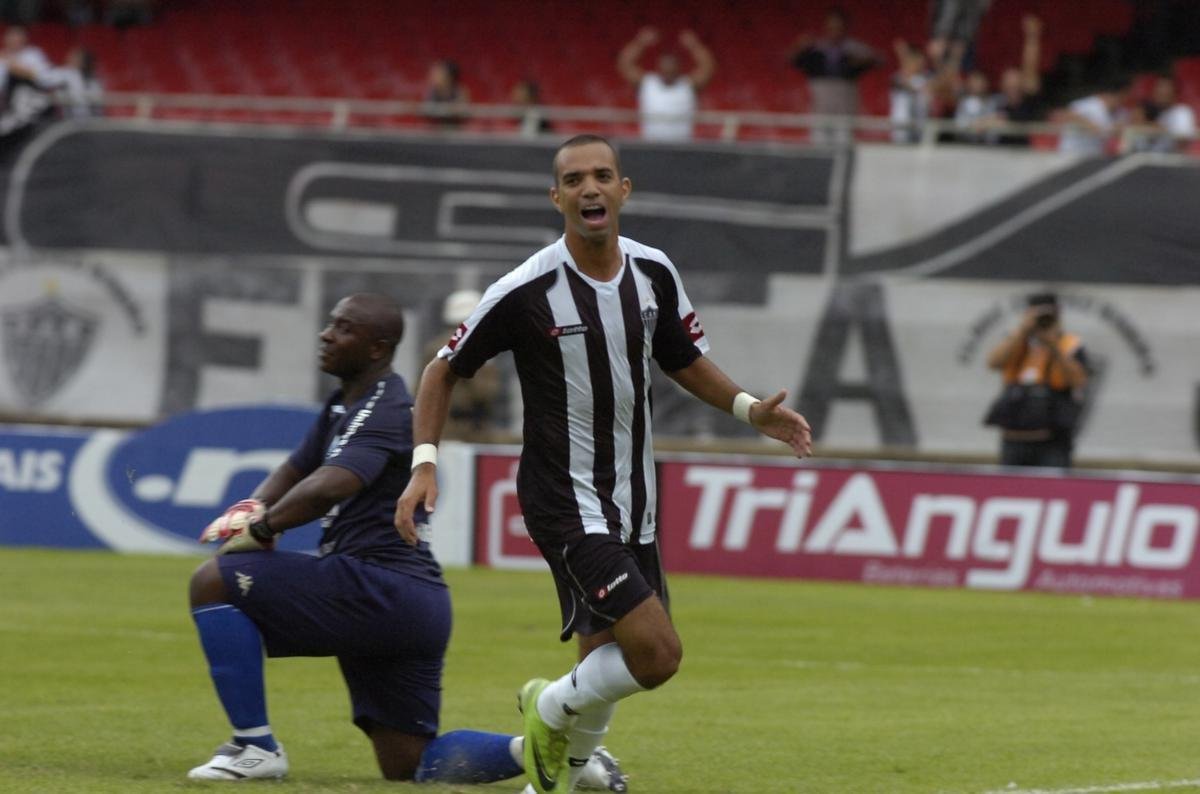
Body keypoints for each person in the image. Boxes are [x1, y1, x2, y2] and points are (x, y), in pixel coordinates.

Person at [394, 134, 813, 794]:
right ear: (556, 197)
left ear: (624, 189)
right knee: (657, 653)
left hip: (634, 494)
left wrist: (749, 410)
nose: (590, 187)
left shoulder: (653, 273)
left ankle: (568, 770)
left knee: (606, 651)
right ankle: (548, 710)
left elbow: (681, 359)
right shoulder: (525, 289)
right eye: (575, 179)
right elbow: (442, 371)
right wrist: (424, 463)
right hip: (563, 498)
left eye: (602, 175)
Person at [186, 293, 626, 790]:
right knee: (409, 762)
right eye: (330, 324)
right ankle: (551, 751)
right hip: (409, 601)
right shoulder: (343, 405)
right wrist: (253, 507)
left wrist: (264, 530)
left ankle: (254, 747)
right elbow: (296, 468)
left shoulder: (387, 407)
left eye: (343, 327)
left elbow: (334, 481)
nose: (327, 334)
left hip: (378, 585)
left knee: (212, 583)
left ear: (377, 348)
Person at [984, 293, 1088, 468]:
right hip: (1014, 436)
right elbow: (994, 362)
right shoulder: (1016, 340)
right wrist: (1023, 331)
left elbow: (1078, 380)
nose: (1042, 321)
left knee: (1051, 486)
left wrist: (1053, 345)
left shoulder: (1069, 343)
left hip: (1053, 438)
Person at [420, 289, 505, 440]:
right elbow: (485, 393)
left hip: (455, 431)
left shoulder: (436, 346)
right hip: (455, 434)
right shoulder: (470, 347)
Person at [788, 8, 880, 144]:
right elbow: (792, 59)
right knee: (819, 136)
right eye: (831, 26)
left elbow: (878, 59)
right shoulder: (816, 47)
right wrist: (799, 46)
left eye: (838, 27)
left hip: (844, 97)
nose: (835, 30)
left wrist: (859, 61)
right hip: (821, 97)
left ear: (845, 28)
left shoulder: (853, 47)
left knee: (844, 136)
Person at [617, 27, 715, 142]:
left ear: (678, 68)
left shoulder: (688, 85)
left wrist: (694, 45)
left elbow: (708, 67)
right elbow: (625, 63)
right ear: (659, 68)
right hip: (650, 145)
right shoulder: (648, 83)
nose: (668, 72)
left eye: (671, 69)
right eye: (665, 68)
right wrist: (640, 42)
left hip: (682, 146)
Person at [1128, 74, 1197, 152]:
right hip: (1145, 158)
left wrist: (1158, 128)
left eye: (1165, 88)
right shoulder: (1152, 111)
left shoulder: (1182, 112)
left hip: (1169, 160)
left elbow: (1183, 141)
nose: (1160, 92)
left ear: (1175, 92)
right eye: (1159, 87)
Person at [424, 59, 470, 128]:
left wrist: (453, 110)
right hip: (435, 131)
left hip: (455, 131)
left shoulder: (460, 91)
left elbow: (463, 112)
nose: (434, 77)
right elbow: (426, 111)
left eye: (439, 73)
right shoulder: (432, 92)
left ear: (449, 76)